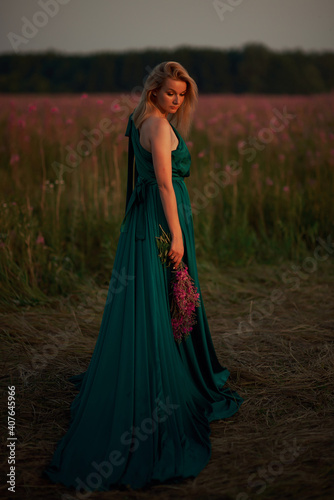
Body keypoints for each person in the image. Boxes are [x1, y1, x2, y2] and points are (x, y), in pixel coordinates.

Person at [43, 61, 244, 493]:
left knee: (158, 293)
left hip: (143, 216)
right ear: (153, 91)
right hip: (159, 216)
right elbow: (166, 185)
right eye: (170, 92)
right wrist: (176, 234)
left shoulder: (139, 119)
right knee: (167, 291)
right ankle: (163, 375)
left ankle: (168, 354)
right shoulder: (156, 126)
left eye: (181, 93)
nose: (176, 99)